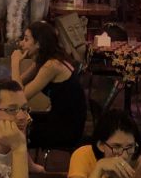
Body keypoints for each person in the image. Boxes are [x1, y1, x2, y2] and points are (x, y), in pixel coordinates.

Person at [10, 21, 87, 150]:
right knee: (15, 120)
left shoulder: (52, 65)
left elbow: (20, 98)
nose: (21, 43)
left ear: (39, 44)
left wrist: (14, 63)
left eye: (26, 39)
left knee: (15, 127)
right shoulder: (43, 59)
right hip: (56, 118)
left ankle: (23, 166)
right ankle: (27, 164)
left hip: (67, 128)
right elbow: (18, 83)